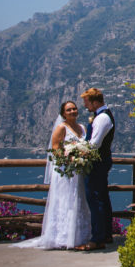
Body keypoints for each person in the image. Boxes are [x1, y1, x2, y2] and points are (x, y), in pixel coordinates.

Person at [12, 101, 92, 250]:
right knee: (65, 201)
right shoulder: (61, 128)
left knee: (79, 200)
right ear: (63, 113)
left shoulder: (81, 127)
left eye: (74, 109)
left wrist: (82, 155)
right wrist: (71, 157)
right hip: (65, 172)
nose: (73, 111)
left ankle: (80, 236)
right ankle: (62, 237)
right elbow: (55, 149)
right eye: (69, 110)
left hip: (78, 172)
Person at [76, 87, 115, 251]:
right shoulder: (103, 116)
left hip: (97, 164)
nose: (85, 106)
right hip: (101, 162)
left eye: (86, 102)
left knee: (95, 199)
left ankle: (97, 239)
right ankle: (106, 234)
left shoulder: (102, 118)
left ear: (94, 101)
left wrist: (76, 149)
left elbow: (94, 144)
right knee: (102, 199)